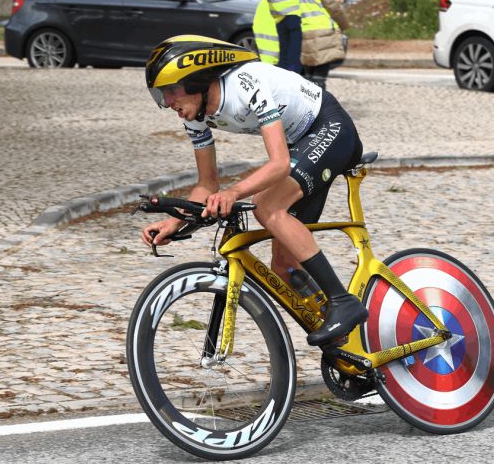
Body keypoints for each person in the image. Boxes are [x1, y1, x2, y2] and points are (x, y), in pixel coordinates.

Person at [142, 34, 367, 346]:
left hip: (328, 128)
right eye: (161, 95)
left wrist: (234, 193)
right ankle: (350, 349)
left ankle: (344, 302)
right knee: (285, 268)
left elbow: (279, 164)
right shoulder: (194, 115)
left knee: (267, 206)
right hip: (302, 145)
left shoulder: (247, 83)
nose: (168, 103)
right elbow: (207, 185)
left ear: (195, 80)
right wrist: (174, 222)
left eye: (171, 91)